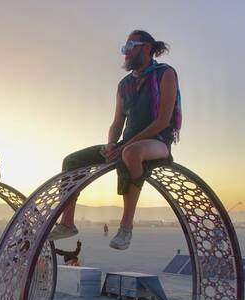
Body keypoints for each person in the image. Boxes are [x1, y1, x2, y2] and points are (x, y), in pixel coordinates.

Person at [49, 30, 181, 251]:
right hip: (126, 143)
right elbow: (117, 123)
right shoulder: (124, 85)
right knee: (71, 160)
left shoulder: (165, 74)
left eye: (130, 47)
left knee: (131, 154)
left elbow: (162, 120)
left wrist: (123, 147)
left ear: (146, 48)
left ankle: (126, 226)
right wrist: (111, 144)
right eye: (124, 49)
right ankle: (67, 223)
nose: (126, 53)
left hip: (158, 141)